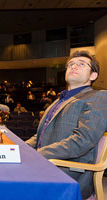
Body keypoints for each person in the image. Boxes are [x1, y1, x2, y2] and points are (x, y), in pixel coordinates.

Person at [26, 51, 107, 199]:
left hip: (68, 170)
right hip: (46, 163)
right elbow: (41, 135)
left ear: (93, 76)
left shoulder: (98, 96)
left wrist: (39, 154)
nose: (74, 66)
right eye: (70, 64)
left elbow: (83, 140)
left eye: (81, 64)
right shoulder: (59, 100)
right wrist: (19, 148)